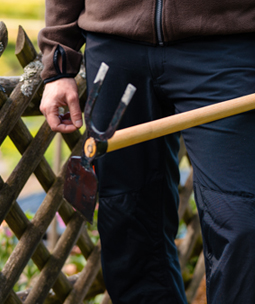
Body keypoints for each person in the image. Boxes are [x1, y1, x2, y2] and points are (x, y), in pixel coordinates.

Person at [38, 1, 255, 303]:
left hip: (226, 43)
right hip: (114, 43)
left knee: (243, 223)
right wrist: (59, 56)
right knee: (127, 224)